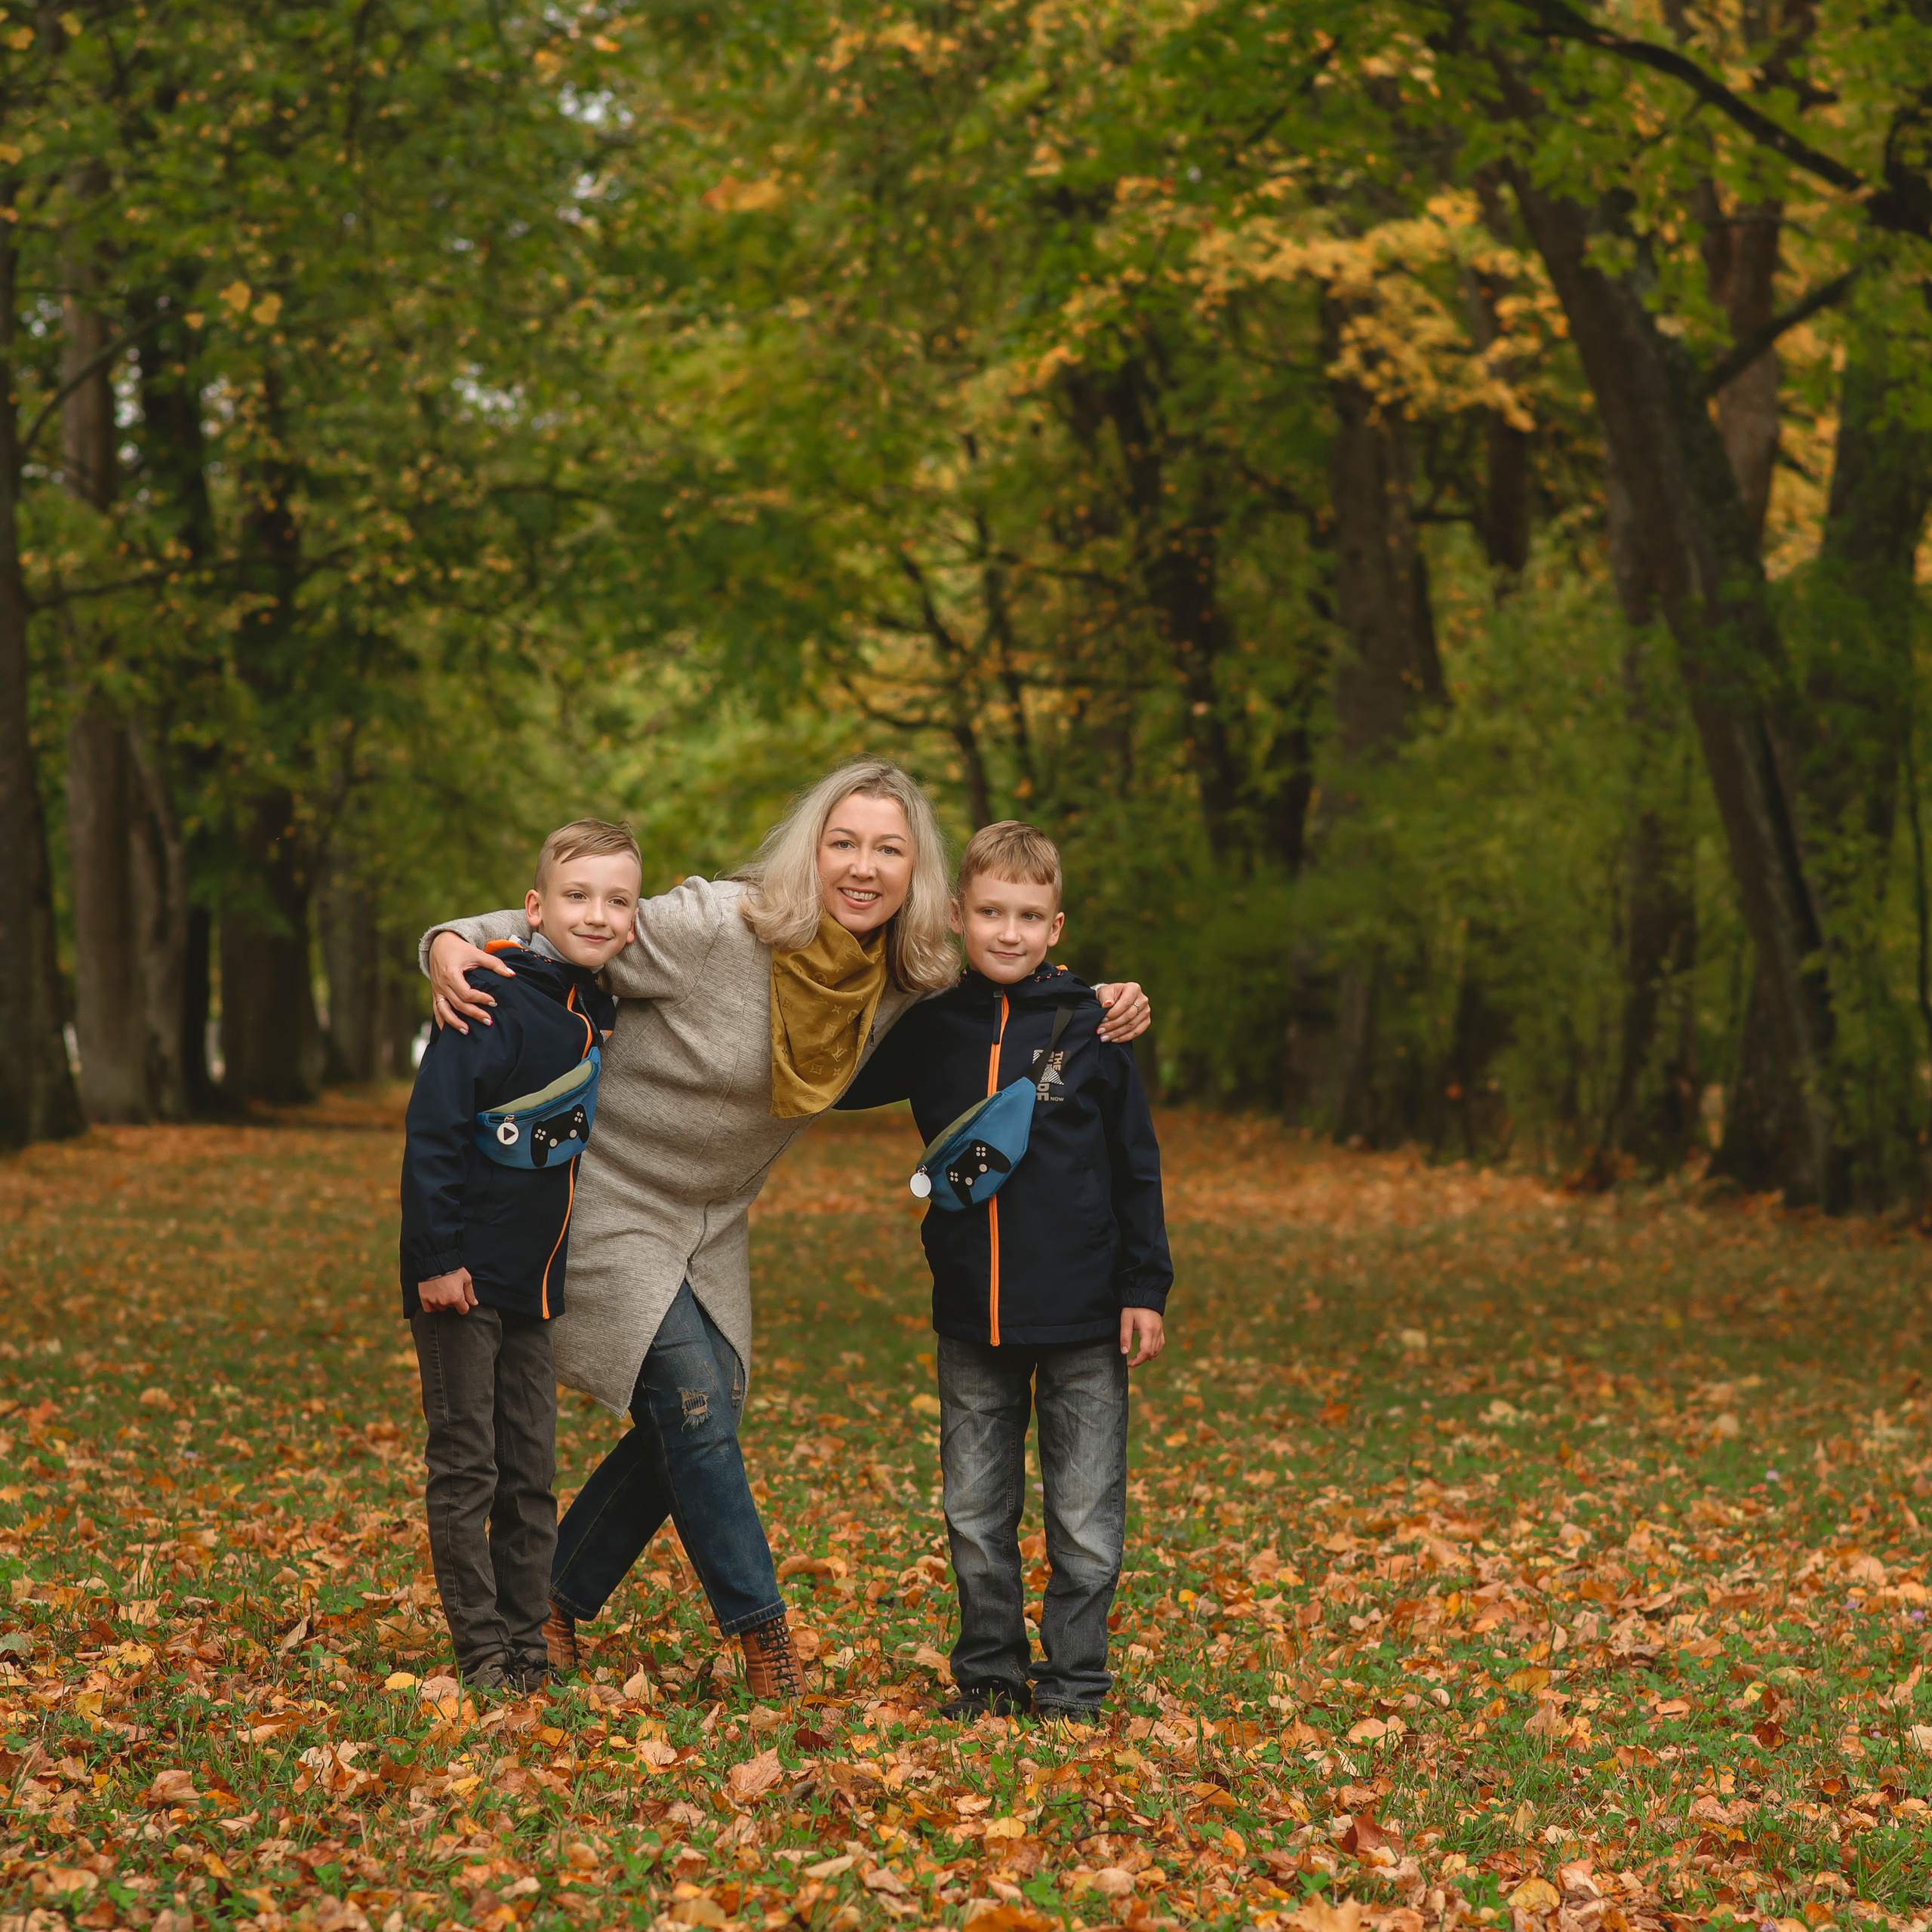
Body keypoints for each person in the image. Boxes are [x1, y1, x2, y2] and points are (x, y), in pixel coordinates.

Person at [420, 761, 1154, 1702]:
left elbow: (1008, 998)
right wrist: (449, 941)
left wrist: (1102, 1000)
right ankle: (763, 1635)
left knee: (708, 1407)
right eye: (842, 842)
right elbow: (578, 919)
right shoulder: (722, 924)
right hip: (608, 1189)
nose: (862, 866)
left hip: (712, 1212)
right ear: (812, 849)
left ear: (915, 870)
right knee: (690, 1398)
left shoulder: (902, 975)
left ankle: (555, 1595)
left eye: (887, 849)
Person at [836, 820, 1170, 1724]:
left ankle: (1073, 1685)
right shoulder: (930, 1021)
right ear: (956, 915)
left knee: (1086, 1521)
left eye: (1028, 916)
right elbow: (832, 1071)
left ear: (1055, 926)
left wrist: (1145, 1287)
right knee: (975, 1515)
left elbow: (1135, 1163)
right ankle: (988, 1676)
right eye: (990, 912)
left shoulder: (1095, 1023)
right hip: (970, 1313)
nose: (1008, 932)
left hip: (1084, 1313)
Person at [399, 819, 637, 1692]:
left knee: (530, 1475)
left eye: (617, 900)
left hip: (535, 1288)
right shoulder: (489, 997)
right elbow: (433, 1133)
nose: (597, 913)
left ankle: (527, 1650)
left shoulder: (590, 1010)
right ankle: (482, 1655)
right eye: (577, 896)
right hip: (460, 1282)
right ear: (536, 907)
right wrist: (435, 1259)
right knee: (469, 1469)